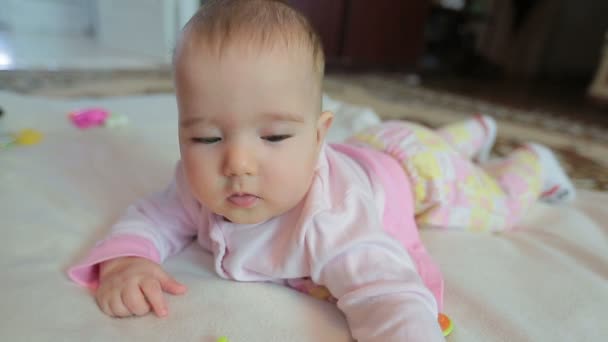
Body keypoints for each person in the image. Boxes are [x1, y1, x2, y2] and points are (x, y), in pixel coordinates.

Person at [67, 0, 575, 341]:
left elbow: (387, 292)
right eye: (206, 138)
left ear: (317, 135)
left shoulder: (333, 219)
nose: (238, 165)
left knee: (491, 205)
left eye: (275, 137)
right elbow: (152, 217)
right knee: (422, 142)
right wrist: (128, 259)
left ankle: (530, 162)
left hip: (415, 172)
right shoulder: (194, 184)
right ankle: (471, 133)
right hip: (370, 149)